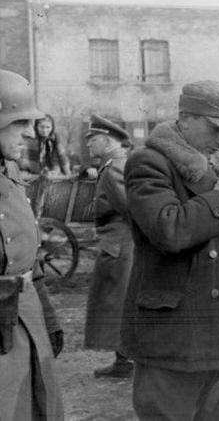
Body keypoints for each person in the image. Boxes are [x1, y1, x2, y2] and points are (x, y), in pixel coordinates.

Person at [121, 80, 219, 420]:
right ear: (186, 119)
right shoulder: (149, 162)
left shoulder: (217, 164)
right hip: (174, 334)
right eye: (217, 128)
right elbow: (169, 230)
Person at [0, 69, 64, 420]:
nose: (29, 131)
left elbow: (29, 261)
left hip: (26, 317)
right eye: (17, 121)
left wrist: (49, 319)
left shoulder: (10, 170)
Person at [83, 114, 135, 378]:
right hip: (120, 246)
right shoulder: (115, 165)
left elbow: (129, 209)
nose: (89, 146)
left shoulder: (114, 167)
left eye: (93, 141)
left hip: (121, 247)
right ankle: (124, 360)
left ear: (107, 141)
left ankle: (126, 362)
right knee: (120, 303)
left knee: (120, 304)